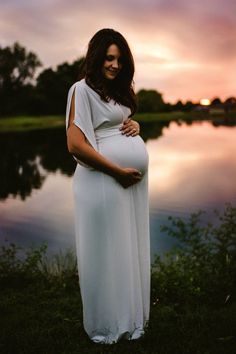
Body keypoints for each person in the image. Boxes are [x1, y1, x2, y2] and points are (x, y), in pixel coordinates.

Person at [65, 28, 150, 344]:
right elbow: (75, 145)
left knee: (125, 248)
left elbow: (116, 125)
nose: (114, 65)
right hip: (102, 181)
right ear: (97, 57)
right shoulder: (81, 90)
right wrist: (117, 171)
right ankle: (106, 325)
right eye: (109, 58)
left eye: (120, 59)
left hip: (125, 183)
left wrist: (135, 123)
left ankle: (128, 318)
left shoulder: (117, 92)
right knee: (106, 254)